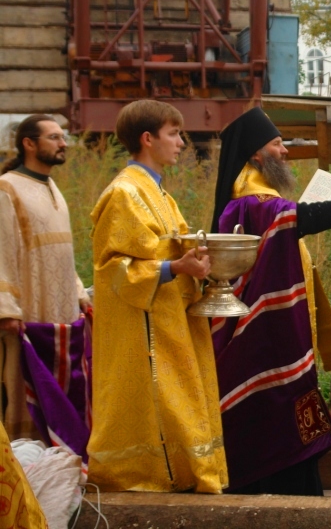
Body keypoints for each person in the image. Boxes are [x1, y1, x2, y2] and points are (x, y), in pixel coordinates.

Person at [210, 107, 331, 495]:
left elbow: (292, 218)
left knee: (278, 408)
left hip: (271, 330)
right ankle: (277, 496)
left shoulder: (256, 201)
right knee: (270, 406)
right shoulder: (252, 204)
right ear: (255, 154)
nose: (285, 151)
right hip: (260, 335)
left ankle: (292, 489)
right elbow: (299, 218)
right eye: (277, 144)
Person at [88, 100, 228, 492]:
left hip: (170, 318)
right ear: (148, 139)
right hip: (142, 327)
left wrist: (197, 264)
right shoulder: (124, 194)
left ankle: (185, 473)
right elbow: (112, 268)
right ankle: (142, 476)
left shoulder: (161, 194)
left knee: (182, 396)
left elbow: (173, 249)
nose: (182, 142)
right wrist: (176, 268)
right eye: (173, 134)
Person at [0, 115, 90, 440]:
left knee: (64, 395)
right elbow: (2, 251)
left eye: (63, 136)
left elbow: (63, 251)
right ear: (29, 143)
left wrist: (79, 291)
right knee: (26, 394)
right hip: (30, 315)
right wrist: (6, 308)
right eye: (54, 137)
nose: (63, 143)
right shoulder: (7, 188)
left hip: (62, 316)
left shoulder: (51, 186)